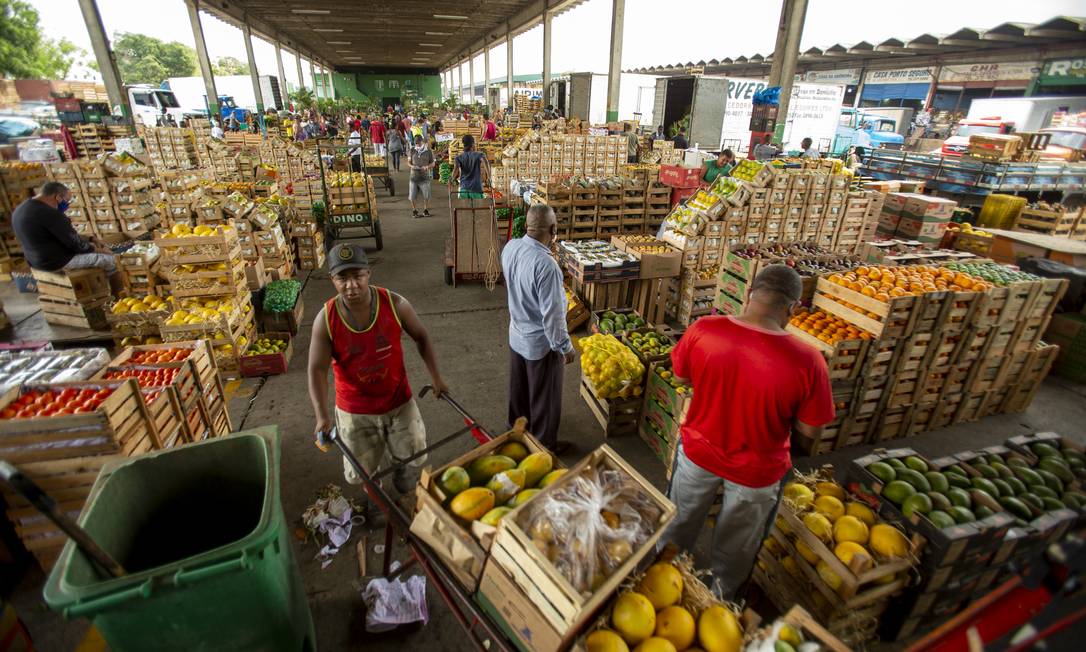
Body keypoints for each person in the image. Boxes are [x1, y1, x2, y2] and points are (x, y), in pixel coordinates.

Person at [659, 265, 835, 600]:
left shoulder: (704, 329)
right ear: (793, 308)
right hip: (757, 473)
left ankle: (659, 585)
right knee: (735, 549)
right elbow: (811, 430)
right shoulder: (809, 360)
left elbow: (681, 378)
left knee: (677, 526)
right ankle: (719, 604)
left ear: (750, 293)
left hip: (699, 452)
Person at [308, 243, 449, 497]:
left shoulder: (394, 304)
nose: (351, 285)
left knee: (411, 452)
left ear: (368, 273)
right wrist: (321, 415)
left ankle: (400, 468)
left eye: (357, 276)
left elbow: (422, 337)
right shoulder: (326, 319)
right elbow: (317, 370)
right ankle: (375, 495)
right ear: (332, 279)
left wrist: (436, 378)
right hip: (355, 409)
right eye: (342, 278)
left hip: (398, 401)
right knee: (363, 469)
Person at [500, 205, 575, 454]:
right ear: (553, 230)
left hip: (516, 335)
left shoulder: (510, 247)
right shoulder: (547, 265)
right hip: (540, 345)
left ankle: (516, 434)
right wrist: (564, 347)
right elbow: (553, 317)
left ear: (526, 226)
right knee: (545, 399)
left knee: (519, 392)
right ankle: (544, 448)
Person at [12, 182, 124, 295]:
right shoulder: (50, 214)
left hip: (34, 260)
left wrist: (90, 238)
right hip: (55, 261)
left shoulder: (22, 208)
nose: (67, 204)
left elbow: (64, 235)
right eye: (66, 200)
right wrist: (101, 250)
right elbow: (76, 245)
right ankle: (118, 297)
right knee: (111, 261)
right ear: (57, 197)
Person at [453, 134, 489, 199]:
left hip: (464, 188)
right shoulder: (479, 154)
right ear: (472, 144)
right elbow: (485, 161)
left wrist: (451, 179)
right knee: (478, 208)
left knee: (464, 208)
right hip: (476, 188)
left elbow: (456, 169)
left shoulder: (458, 157)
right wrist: (489, 176)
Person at [408, 135, 435, 218]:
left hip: (425, 177)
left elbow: (433, 163)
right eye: (416, 143)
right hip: (414, 176)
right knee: (412, 196)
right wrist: (411, 166)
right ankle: (414, 211)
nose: (417, 145)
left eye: (419, 143)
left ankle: (426, 210)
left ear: (422, 141)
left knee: (426, 195)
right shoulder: (412, 150)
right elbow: (408, 162)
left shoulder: (429, 151)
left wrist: (427, 167)